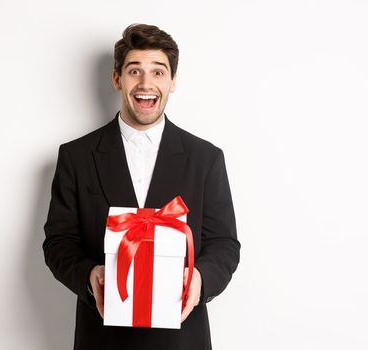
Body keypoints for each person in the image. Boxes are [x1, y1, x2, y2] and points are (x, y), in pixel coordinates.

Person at [43, 23, 240, 350]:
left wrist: (199, 281)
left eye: (158, 72)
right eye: (135, 71)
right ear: (117, 79)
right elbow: (59, 242)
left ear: (173, 81)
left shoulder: (206, 158)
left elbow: (224, 243)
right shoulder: (76, 156)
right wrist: (90, 276)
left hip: (181, 338)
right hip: (102, 337)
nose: (146, 84)